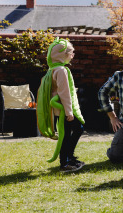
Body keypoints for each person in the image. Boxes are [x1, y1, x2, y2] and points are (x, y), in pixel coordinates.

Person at [37, 38, 85, 172]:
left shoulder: (52, 70)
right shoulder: (61, 70)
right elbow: (64, 93)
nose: (72, 55)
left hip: (58, 110)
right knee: (70, 133)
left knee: (71, 132)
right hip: (64, 110)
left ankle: (70, 158)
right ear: (62, 55)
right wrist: (69, 112)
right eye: (71, 52)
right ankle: (65, 163)